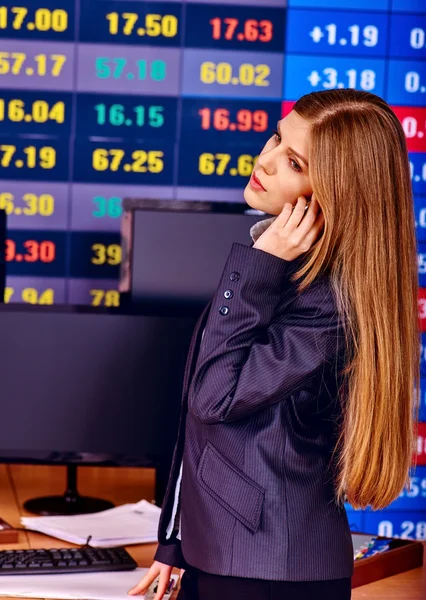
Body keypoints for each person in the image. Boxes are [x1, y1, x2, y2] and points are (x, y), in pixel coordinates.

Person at [128, 89, 420, 600]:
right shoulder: (290, 277)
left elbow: (213, 397)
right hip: (219, 554)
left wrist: (258, 265)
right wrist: (175, 541)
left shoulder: (329, 304)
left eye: (292, 161)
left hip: (269, 573)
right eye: (276, 138)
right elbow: (204, 428)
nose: (263, 159)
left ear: (333, 193)